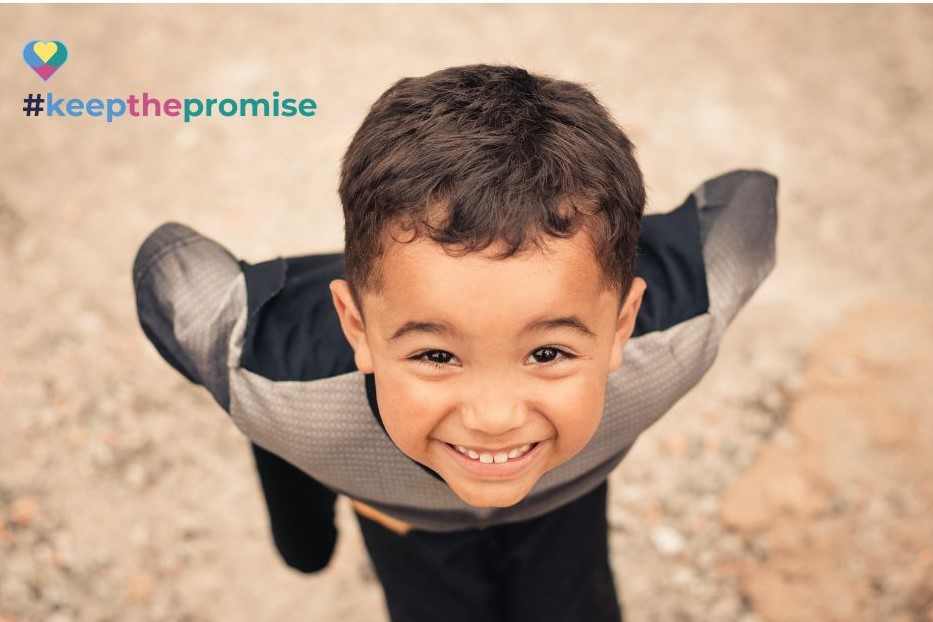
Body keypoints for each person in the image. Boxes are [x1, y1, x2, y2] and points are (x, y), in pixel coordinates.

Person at [132, 64, 777, 622]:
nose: (494, 419)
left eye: (547, 352)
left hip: (559, 494)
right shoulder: (283, 387)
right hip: (401, 508)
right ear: (355, 327)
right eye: (436, 353)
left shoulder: (666, 343)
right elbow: (166, 267)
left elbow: (752, 200)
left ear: (623, 325)